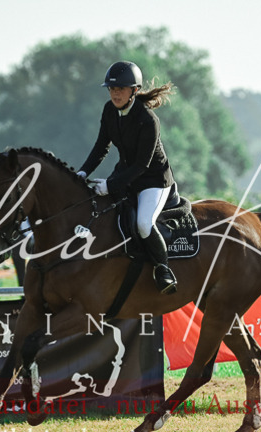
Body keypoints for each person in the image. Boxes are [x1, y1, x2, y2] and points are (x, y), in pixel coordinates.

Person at [76, 60, 178, 295]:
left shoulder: (148, 120)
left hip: (154, 180)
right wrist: (83, 172)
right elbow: (101, 146)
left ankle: (163, 269)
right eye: (112, 89)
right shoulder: (109, 110)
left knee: (143, 223)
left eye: (120, 89)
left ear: (134, 90)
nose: (115, 94)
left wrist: (110, 185)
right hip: (125, 173)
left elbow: (142, 165)